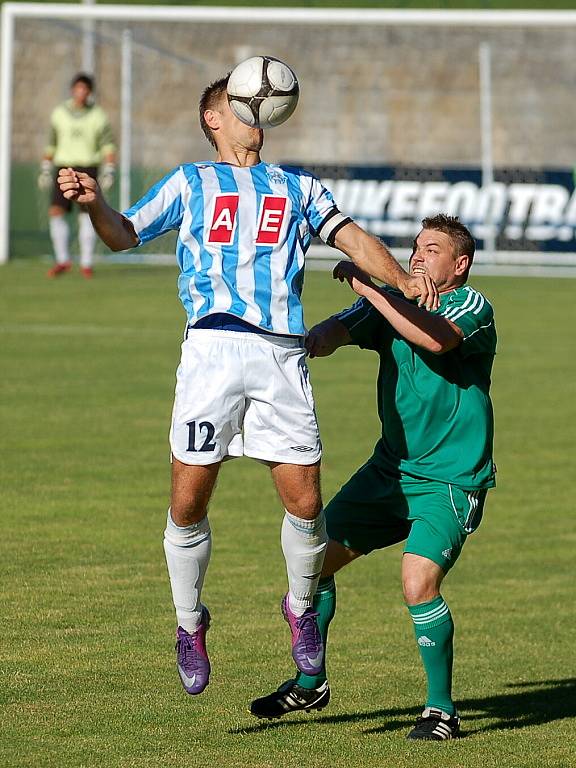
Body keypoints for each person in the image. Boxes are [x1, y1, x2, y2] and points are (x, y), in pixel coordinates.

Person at [56, 72, 438, 697]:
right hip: (211, 351)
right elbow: (124, 233)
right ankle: (189, 623)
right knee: (189, 502)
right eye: (240, 105)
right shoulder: (191, 182)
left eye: (260, 104)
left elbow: (354, 239)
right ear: (214, 119)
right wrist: (94, 202)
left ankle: (299, 609)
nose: (255, 112)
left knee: (307, 504)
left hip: (281, 356)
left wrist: (400, 277)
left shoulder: (299, 187)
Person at [251, 214, 497, 741]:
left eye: (432, 249)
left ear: (460, 264)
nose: (417, 255)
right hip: (390, 471)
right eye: (415, 247)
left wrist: (373, 288)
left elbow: (436, 341)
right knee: (308, 566)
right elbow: (333, 332)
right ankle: (310, 681)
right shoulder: (389, 302)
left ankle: (441, 711)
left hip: (450, 479)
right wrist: (301, 340)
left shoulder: (471, 306)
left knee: (417, 583)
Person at [39, 73, 116, 279]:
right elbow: (51, 142)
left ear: (89, 92)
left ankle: (86, 263)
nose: (81, 92)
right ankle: (63, 260)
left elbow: (108, 144)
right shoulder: (59, 114)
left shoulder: (98, 115)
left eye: (85, 89)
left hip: (87, 168)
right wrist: (46, 166)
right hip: (63, 168)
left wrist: (109, 169)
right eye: (78, 88)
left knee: (87, 214)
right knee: (56, 211)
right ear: (73, 90)